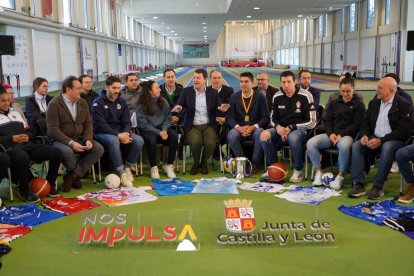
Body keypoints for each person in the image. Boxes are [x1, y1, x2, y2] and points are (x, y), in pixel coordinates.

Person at [348, 77, 413, 200]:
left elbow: (404, 132)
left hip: (395, 141)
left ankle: (378, 187)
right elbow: (365, 123)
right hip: (374, 138)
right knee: (357, 145)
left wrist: (381, 141)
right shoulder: (374, 103)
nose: (376, 90)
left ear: (391, 90)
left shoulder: (404, 105)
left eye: (380, 88)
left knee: (387, 147)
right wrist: (364, 135)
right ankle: (358, 184)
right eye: (377, 86)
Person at [0, 85, 61, 202]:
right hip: (8, 148)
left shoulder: (16, 113)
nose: (6, 103)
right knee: (22, 157)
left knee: (55, 152)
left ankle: (50, 184)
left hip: (27, 145)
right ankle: (24, 191)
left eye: (8, 100)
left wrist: (28, 136)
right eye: (3, 101)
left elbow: (29, 129)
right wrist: (12, 138)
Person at [47, 76, 104, 192]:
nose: (81, 91)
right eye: (78, 89)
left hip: (80, 138)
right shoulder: (54, 104)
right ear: (68, 90)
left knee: (98, 148)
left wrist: (88, 139)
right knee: (66, 151)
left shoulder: (82, 103)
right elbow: (53, 129)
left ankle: (72, 176)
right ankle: (75, 176)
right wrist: (70, 142)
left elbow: (88, 123)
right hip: (61, 140)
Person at [307, 77, 365, 190]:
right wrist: (330, 133)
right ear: (339, 90)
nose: (345, 94)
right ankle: (318, 172)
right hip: (331, 135)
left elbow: (356, 125)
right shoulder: (334, 103)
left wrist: (341, 135)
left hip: (347, 136)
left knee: (343, 146)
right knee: (311, 143)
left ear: (354, 89)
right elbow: (327, 120)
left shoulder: (359, 105)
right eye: (343, 91)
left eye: (348, 91)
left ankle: (340, 176)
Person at [260, 70, 317, 182]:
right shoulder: (277, 96)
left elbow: (312, 121)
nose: (286, 85)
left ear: (295, 82)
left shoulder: (306, 95)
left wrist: (291, 127)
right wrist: (278, 127)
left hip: (300, 130)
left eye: (289, 82)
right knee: (264, 135)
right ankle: (273, 167)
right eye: (283, 82)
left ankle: (298, 170)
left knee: (293, 137)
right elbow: (272, 118)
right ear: (280, 83)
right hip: (280, 130)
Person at [171, 68, 227, 175]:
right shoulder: (187, 92)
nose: (195, 80)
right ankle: (196, 163)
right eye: (194, 78)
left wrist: (223, 108)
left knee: (210, 143)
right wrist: (178, 108)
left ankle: (204, 163)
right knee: (196, 142)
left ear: (205, 80)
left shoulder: (213, 92)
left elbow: (219, 106)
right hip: (192, 125)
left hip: (208, 125)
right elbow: (180, 104)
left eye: (198, 78)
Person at [92, 76, 144, 187]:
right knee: (114, 140)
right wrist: (118, 135)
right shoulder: (97, 103)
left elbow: (127, 122)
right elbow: (101, 125)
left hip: (120, 132)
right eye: (114, 88)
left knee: (139, 140)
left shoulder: (122, 102)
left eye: (118, 88)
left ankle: (127, 167)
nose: (117, 91)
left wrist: (126, 133)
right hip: (103, 133)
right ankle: (121, 173)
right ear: (107, 87)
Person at [227, 72, 269, 172]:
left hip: (255, 129)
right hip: (239, 129)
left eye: (246, 81)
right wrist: (239, 128)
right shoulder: (234, 97)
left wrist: (253, 127)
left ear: (252, 83)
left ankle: (255, 162)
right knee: (231, 135)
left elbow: (266, 117)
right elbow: (229, 118)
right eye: (241, 82)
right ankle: (243, 162)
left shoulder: (260, 97)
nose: (243, 84)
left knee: (260, 133)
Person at [136, 80, 178, 179]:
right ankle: (153, 167)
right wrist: (159, 132)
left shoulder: (163, 101)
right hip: (149, 130)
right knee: (152, 139)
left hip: (162, 129)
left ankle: (168, 165)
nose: (160, 89)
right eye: (157, 88)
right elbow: (143, 123)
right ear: (150, 91)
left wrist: (164, 130)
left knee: (174, 136)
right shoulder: (141, 104)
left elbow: (168, 118)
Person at [208, 69, 234, 160]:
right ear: (210, 79)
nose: (217, 80)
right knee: (213, 131)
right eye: (214, 78)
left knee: (231, 130)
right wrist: (214, 119)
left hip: (225, 120)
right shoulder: (205, 92)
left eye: (219, 78)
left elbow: (232, 109)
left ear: (222, 79)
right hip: (211, 121)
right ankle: (216, 151)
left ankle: (230, 152)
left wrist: (225, 119)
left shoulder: (229, 91)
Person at [159, 68, 184, 159]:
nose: (170, 79)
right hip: (164, 121)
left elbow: (186, 108)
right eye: (168, 77)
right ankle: (163, 153)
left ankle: (180, 147)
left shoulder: (182, 90)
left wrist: (179, 117)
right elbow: (157, 110)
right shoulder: (158, 92)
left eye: (172, 77)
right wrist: (170, 119)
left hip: (179, 120)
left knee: (187, 126)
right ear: (164, 78)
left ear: (175, 78)